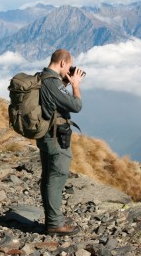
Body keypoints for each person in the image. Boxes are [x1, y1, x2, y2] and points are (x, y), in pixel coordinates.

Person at [36, 49, 84, 236]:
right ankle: (55, 224)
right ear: (63, 63)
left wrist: (65, 82)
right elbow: (76, 106)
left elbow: (52, 100)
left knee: (49, 177)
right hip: (55, 138)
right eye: (69, 66)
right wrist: (76, 86)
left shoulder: (42, 77)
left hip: (45, 135)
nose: (70, 70)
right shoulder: (52, 83)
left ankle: (52, 220)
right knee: (56, 177)